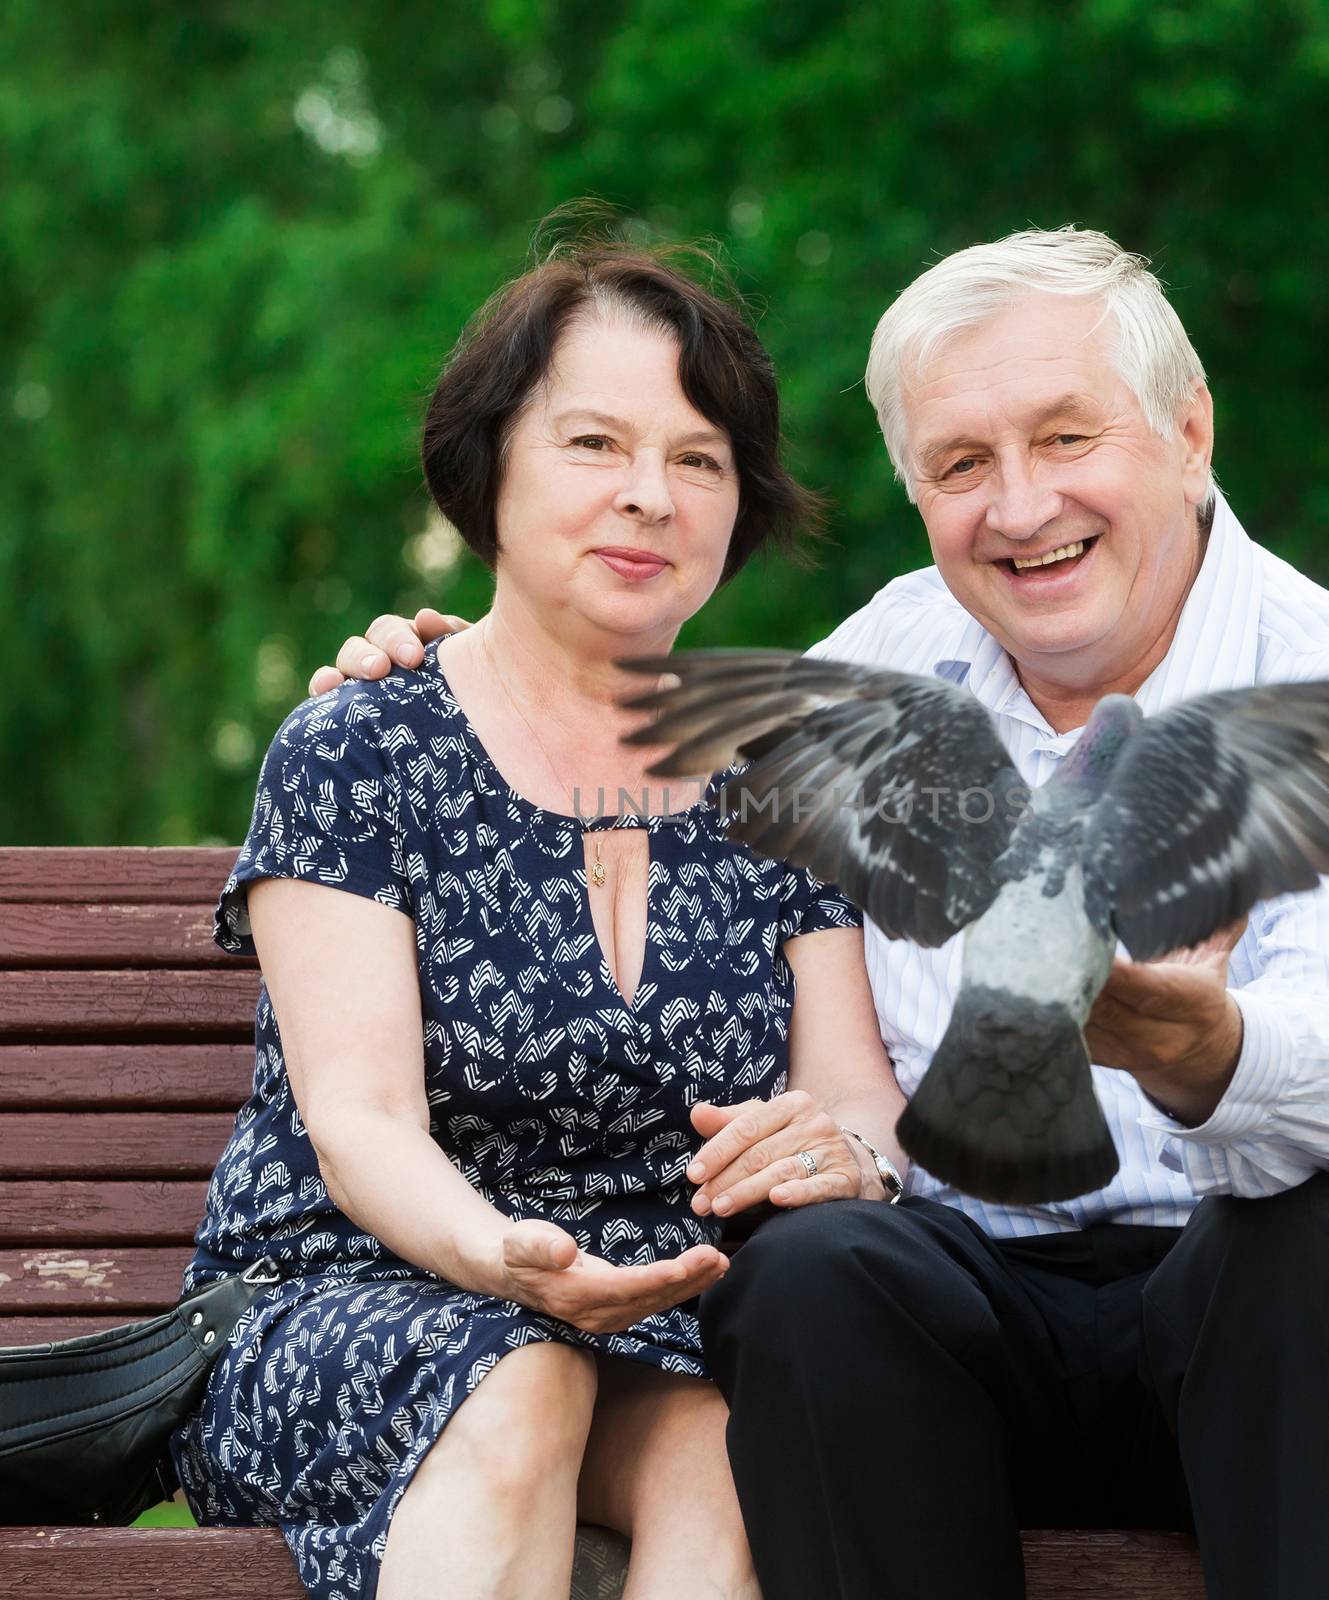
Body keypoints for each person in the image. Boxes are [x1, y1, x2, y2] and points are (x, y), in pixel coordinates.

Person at [314, 226, 1329, 1600]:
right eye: (962, 466)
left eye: (1067, 438)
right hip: (993, 1330)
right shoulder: (870, 678)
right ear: (915, 492)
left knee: (1299, 1251)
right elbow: (569, 700)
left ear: (1188, 432)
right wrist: (416, 665)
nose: (1021, 509)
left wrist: (1199, 1046)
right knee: (818, 1274)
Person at [171, 237, 908, 1600]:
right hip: (350, 1296)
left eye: (698, 460)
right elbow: (361, 1125)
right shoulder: (362, 746)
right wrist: (499, 1261)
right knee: (514, 1386)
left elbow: (859, 1096)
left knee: (742, 1455)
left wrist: (841, 1150)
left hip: (658, 1325)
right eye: (595, 445)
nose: (650, 496)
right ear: (489, 467)